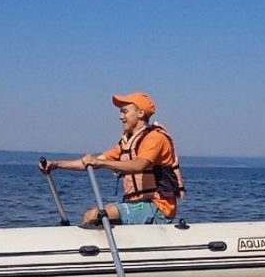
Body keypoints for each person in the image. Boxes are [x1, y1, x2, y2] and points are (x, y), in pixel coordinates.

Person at [41, 92, 185, 226]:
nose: (121, 117)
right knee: (94, 216)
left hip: (157, 206)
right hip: (137, 204)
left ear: (141, 113)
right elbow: (90, 163)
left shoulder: (155, 138)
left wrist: (101, 163)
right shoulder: (126, 143)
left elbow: (139, 165)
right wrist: (56, 164)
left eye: (125, 111)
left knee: (92, 215)